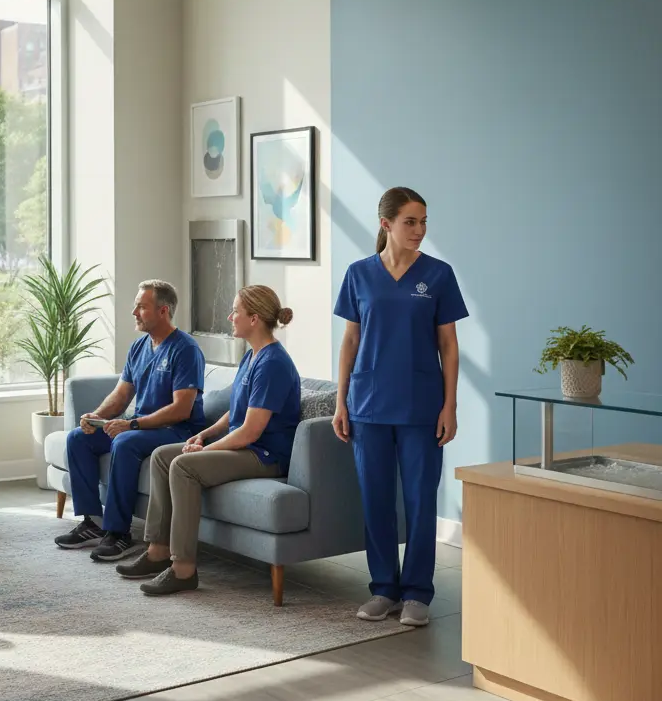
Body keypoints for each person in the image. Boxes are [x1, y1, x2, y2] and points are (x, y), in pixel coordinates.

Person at [333, 186, 468, 628]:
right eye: (411, 221)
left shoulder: (439, 275)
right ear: (386, 224)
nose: (420, 230)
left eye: (424, 221)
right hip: (368, 403)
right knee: (375, 500)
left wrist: (449, 405)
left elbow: (448, 345)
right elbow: (350, 341)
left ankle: (417, 593)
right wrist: (340, 403)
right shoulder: (358, 274)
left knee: (419, 500)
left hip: (421, 406)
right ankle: (384, 589)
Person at [118, 286, 301, 596]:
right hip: (247, 446)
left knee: (184, 466)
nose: (230, 317)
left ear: (254, 319)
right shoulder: (252, 356)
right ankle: (157, 551)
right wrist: (204, 435)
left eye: (236, 312)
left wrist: (204, 450)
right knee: (164, 456)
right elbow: (235, 412)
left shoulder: (273, 364)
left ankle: (183, 568)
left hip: (264, 454)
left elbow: (250, 432)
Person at [54, 280, 206, 563]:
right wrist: (98, 416)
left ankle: (119, 532)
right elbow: (122, 395)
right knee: (78, 437)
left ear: (163, 311)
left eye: (141, 306)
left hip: (177, 431)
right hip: (142, 426)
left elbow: (182, 409)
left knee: (124, 441)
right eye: (136, 305)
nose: (134, 312)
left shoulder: (186, 349)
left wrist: (133, 425)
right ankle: (94, 523)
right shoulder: (139, 347)